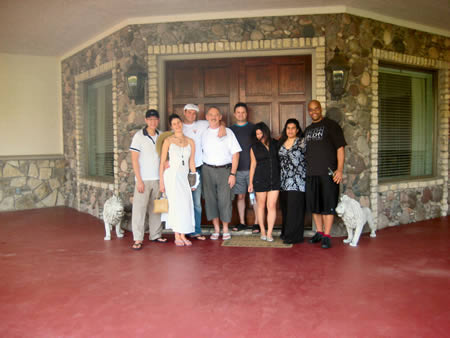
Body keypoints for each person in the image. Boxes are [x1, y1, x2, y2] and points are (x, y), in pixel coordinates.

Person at [304, 100, 346, 249]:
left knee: (328, 205)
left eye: (316, 109)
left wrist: (339, 169)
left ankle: (327, 236)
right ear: (308, 112)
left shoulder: (331, 126)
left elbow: (340, 148)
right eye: (311, 110)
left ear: (320, 109)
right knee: (315, 206)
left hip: (328, 173)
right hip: (311, 173)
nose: (313, 112)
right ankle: (320, 232)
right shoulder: (307, 130)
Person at [182, 103, 226, 241]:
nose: (191, 115)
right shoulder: (178, 126)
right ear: (184, 113)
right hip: (182, 169)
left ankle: (196, 231)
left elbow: (217, 120)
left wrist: (223, 126)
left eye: (194, 113)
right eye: (189, 112)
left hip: (199, 167)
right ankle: (182, 230)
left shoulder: (202, 124)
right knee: (183, 200)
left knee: (197, 202)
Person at [129, 109, 168, 250]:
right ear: (146, 120)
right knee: (139, 209)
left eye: (155, 119)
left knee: (156, 209)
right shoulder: (138, 136)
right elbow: (134, 160)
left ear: (158, 121)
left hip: (158, 178)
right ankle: (138, 238)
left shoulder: (162, 135)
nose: (153, 122)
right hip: (143, 180)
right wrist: (138, 180)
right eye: (150, 119)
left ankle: (156, 235)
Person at [201, 107, 241, 240]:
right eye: (211, 114)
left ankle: (225, 229)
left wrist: (233, 174)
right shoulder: (203, 132)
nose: (213, 117)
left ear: (220, 117)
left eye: (216, 115)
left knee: (225, 200)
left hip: (225, 170)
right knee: (210, 200)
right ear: (206, 117)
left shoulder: (228, 132)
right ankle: (216, 229)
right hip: (207, 170)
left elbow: (235, 154)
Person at [159, 114, 197, 246]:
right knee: (175, 204)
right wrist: (161, 182)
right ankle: (177, 234)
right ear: (171, 126)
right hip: (172, 176)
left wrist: (194, 179)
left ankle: (183, 233)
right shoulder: (168, 141)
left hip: (184, 176)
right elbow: (162, 161)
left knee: (186, 204)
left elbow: (192, 162)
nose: (177, 125)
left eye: (179, 122)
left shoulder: (190, 141)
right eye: (174, 123)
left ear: (182, 123)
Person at [229, 102, 259, 233]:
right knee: (240, 197)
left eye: (243, 112)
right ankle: (242, 222)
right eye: (238, 112)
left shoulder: (254, 128)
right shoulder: (230, 130)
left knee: (254, 197)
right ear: (235, 114)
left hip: (252, 169)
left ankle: (257, 223)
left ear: (247, 114)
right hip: (237, 170)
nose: (241, 114)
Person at [248, 122, 280, 242]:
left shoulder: (275, 144)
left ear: (266, 132)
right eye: (256, 134)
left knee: (271, 206)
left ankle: (270, 233)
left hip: (275, 179)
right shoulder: (254, 148)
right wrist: (250, 183)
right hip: (260, 179)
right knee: (261, 206)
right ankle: (262, 230)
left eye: (260, 133)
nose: (259, 136)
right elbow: (253, 165)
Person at [278, 119, 307, 244]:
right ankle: (285, 233)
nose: (290, 130)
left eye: (293, 128)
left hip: (298, 181)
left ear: (297, 130)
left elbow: (310, 157)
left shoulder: (302, 142)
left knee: (295, 209)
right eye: (288, 128)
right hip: (283, 181)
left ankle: (294, 236)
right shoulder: (281, 142)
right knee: (286, 209)